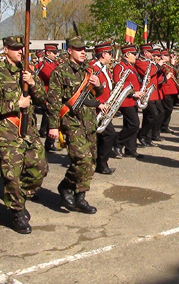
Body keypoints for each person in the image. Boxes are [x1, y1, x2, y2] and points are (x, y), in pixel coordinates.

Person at [0, 36, 47, 234]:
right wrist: (15, 105)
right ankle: (16, 212)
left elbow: (42, 98)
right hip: (7, 131)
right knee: (12, 176)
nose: (21, 52)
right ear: (6, 49)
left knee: (39, 168)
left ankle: (21, 198)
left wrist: (32, 83)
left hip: (29, 131)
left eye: (23, 48)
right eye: (16, 48)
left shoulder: (27, 71)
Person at [47, 36, 103, 214]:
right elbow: (53, 102)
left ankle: (80, 197)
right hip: (71, 121)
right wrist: (53, 126)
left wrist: (98, 85)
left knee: (92, 161)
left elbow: (96, 95)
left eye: (84, 49)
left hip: (89, 121)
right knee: (82, 159)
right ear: (69, 50)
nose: (82, 52)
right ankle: (66, 186)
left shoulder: (88, 71)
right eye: (78, 49)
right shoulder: (60, 72)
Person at [113, 45, 144, 158]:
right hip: (125, 100)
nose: (136, 56)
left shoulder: (130, 66)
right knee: (134, 124)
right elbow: (119, 83)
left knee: (129, 124)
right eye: (134, 54)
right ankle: (117, 142)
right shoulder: (120, 66)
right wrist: (133, 93)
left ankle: (131, 149)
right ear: (127, 55)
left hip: (132, 100)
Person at [91, 42, 117, 175]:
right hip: (98, 108)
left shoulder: (105, 68)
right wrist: (98, 104)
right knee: (109, 134)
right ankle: (101, 163)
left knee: (101, 136)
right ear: (103, 54)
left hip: (106, 107)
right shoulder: (93, 68)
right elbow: (88, 89)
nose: (112, 56)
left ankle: (98, 162)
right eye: (110, 53)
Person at [35, 43, 60, 152]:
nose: (56, 55)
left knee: (51, 119)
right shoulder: (43, 64)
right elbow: (51, 77)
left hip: (54, 95)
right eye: (54, 53)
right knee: (51, 119)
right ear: (48, 53)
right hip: (47, 95)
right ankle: (48, 141)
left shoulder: (54, 63)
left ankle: (49, 142)